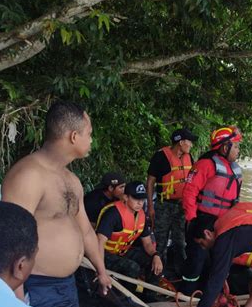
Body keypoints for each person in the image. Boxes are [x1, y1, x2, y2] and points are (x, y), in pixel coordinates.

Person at [2, 100, 112, 307]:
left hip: (64, 282)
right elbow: (12, 236)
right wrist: (17, 296)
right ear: (74, 136)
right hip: (33, 283)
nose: (91, 140)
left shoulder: (71, 180)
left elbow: (85, 230)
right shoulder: (29, 174)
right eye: (89, 134)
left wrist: (102, 270)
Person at [180, 125, 243, 293]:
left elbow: (236, 201)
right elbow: (189, 192)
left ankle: (208, 296)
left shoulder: (235, 170)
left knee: (217, 262)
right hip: (202, 221)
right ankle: (187, 293)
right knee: (196, 260)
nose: (238, 150)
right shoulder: (205, 165)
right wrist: (192, 220)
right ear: (224, 147)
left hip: (223, 224)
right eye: (235, 146)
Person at [146, 128, 197, 273]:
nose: (191, 145)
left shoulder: (189, 157)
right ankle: (156, 275)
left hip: (181, 206)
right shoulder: (161, 156)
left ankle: (180, 274)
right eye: (189, 142)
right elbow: (150, 182)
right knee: (160, 241)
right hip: (163, 205)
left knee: (180, 241)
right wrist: (150, 206)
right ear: (181, 142)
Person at [96, 181, 163, 281]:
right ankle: (124, 295)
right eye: (136, 198)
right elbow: (99, 243)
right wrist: (100, 270)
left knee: (154, 262)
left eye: (142, 199)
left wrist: (156, 255)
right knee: (132, 268)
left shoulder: (141, 215)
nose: (140, 203)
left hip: (123, 252)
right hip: (105, 254)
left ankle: (149, 295)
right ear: (126, 197)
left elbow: (148, 242)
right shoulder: (113, 214)